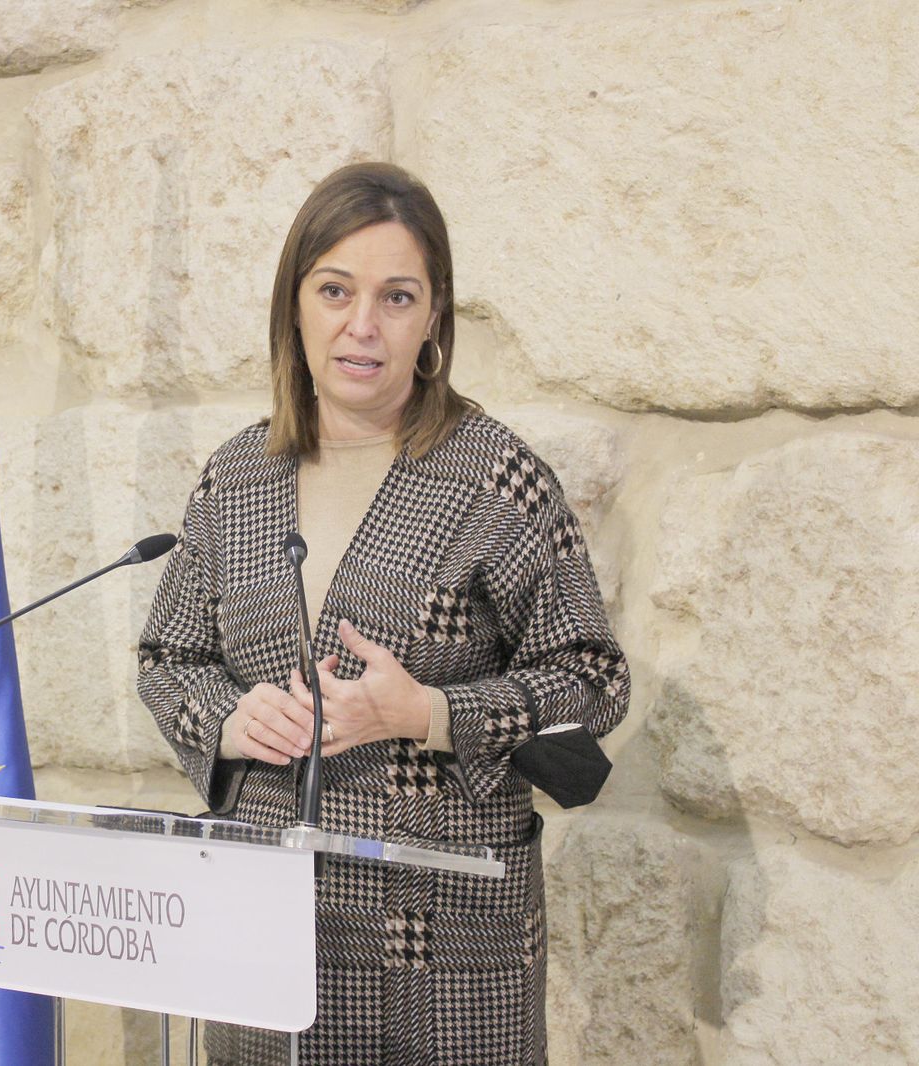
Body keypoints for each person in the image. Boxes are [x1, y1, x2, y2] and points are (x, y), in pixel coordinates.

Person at [136, 162, 630, 1065]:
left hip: (441, 948)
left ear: (433, 317)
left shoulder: (494, 477)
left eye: (396, 297)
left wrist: (432, 714)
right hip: (266, 931)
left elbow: (593, 682)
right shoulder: (238, 477)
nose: (363, 325)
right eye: (336, 290)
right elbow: (170, 657)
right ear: (296, 304)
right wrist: (231, 722)